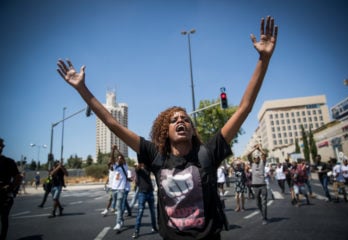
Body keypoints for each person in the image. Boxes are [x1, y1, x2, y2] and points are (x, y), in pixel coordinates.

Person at [56, 15, 278, 239]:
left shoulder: (208, 153)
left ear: (192, 129)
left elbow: (244, 108)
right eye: (174, 120)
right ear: (166, 132)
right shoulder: (156, 156)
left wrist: (264, 60)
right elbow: (112, 123)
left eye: (185, 119)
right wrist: (82, 89)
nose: (181, 120)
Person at [0, 138, 23, 240]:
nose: (0, 148)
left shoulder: (8, 162)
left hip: (4, 195)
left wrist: (10, 188)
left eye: (2, 146)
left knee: (4, 218)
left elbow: (18, 177)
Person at [132, 161, 158, 239]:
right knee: (140, 212)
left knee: (153, 212)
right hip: (142, 194)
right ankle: (136, 231)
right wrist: (140, 162)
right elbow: (137, 168)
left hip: (150, 193)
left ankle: (154, 227)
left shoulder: (148, 169)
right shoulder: (139, 170)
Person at [247, 144, 269, 225]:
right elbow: (248, 155)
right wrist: (254, 149)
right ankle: (262, 213)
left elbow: (265, 154)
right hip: (255, 186)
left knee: (264, 202)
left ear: (259, 158)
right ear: (253, 159)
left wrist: (259, 149)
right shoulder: (252, 164)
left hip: (263, 185)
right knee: (257, 203)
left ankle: (264, 218)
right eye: (255, 158)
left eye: (257, 158)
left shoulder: (262, 163)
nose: (256, 159)